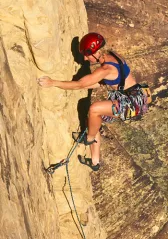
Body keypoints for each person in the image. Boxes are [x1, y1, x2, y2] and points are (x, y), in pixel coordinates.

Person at [38, 33, 147, 171]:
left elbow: (80, 84)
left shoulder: (106, 69)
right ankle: (94, 162)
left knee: (94, 109)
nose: (84, 58)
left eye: (86, 54)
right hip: (135, 96)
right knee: (92, 119)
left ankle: (88, 139)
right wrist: (80, 84)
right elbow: (99, 82)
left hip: (133, 102)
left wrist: (53, 82)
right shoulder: (112, 56)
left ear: (96, 52)